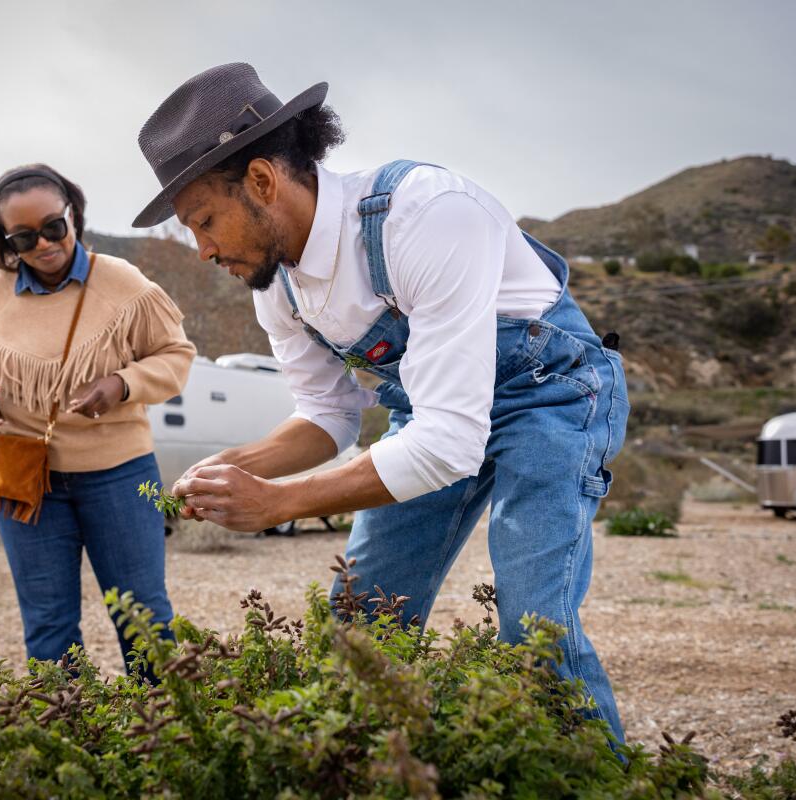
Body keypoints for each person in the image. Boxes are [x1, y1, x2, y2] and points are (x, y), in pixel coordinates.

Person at [132, 63, 630, 741]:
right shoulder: (279, 290)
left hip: (552, 395)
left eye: (204, 221)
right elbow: (327, 418)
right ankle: (373, 770)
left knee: (533, 623)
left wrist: (280, 504)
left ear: (261, 182)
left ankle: (607, 778)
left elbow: (449, 443)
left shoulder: (425, 216)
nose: (202, 250)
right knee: (363, 614)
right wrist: (234, 467)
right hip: (433, 417)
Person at [0, 164, 195, 670]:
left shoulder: (124, 285)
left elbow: (175, 356)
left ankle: (163, 735)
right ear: (6, 240)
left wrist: (121, 384)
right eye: (23, 236)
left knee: (143, 616)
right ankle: (72, 736)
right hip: (22, 475)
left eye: (53, 227)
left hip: (120, 476)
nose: (43, 244)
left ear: (73, 216)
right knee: (47, 623)